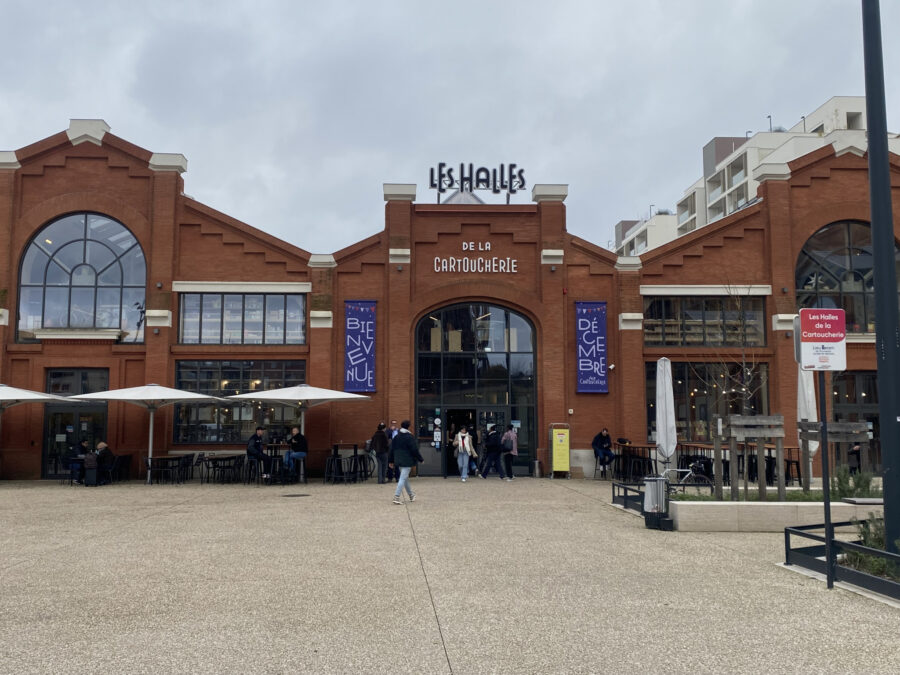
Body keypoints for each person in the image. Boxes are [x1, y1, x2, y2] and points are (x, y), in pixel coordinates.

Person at [388, 420, 423, 504]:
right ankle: (396, 497)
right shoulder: (410, 437)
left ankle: (411, 495)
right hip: (407, 460)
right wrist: (420, 459)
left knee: (405, 478)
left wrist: (391, 461)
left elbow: (391, 449)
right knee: (403, 478)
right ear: (408, 427)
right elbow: (414, 449)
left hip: (398, 459)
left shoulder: (396, 437)